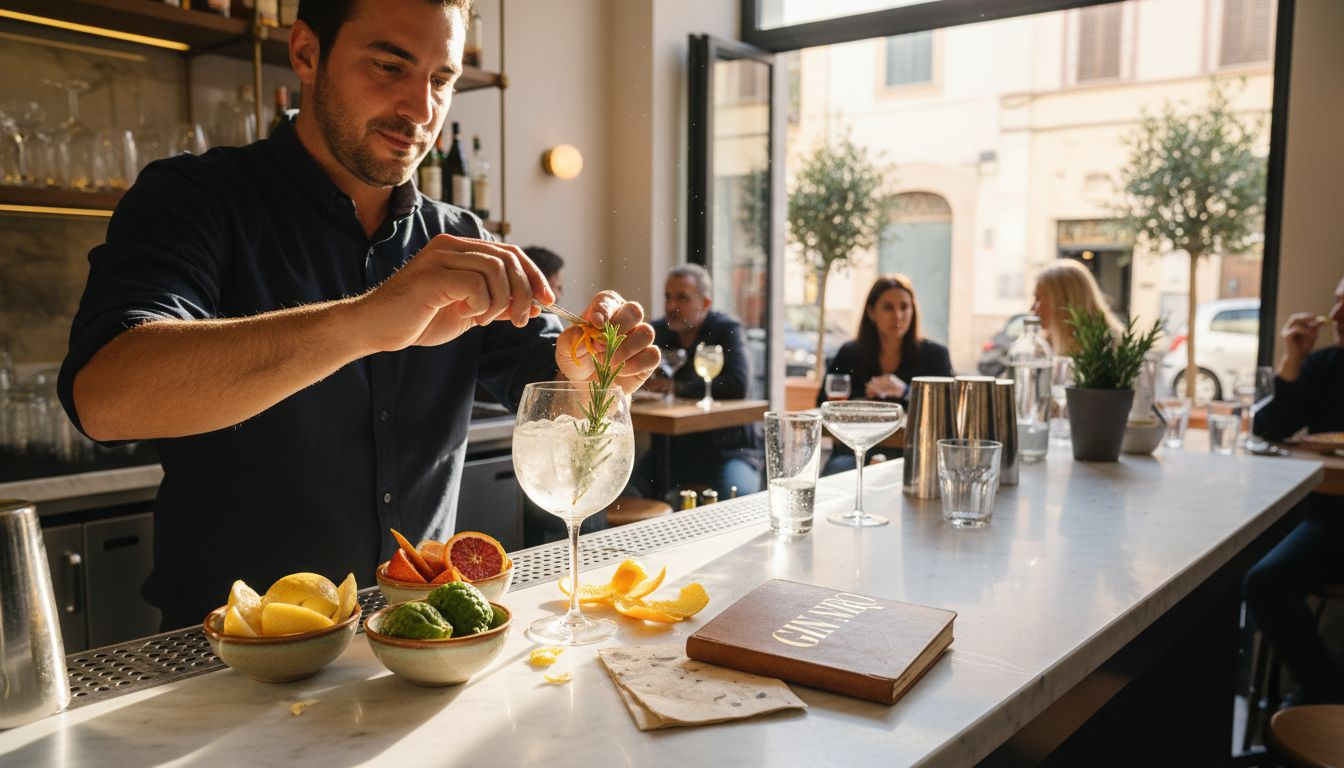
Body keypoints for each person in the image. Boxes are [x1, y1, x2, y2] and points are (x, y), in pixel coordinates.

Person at [55, 0, 657, 630]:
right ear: (307, 52)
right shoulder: (194, 199)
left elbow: (554, 393)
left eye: (441, 80)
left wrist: (590, 376)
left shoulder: (460, 237)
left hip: (416, 641)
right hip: (231, 655)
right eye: (388, 66)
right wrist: (368, 320)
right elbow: (107, 398)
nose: (421, 110)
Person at [1244, 273, 1344, 706]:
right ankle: (1324, 687)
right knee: (1264, 580)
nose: (1337, 315)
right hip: (1331, 518)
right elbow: (1269, 430)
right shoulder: (1324, 366)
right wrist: (1293, 357)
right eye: (1336, 302)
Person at [634, 264, 762, 498]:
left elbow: (738, 384)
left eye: (682, 298)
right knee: (624, 491)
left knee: (735, 497)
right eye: (668, 297)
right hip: (670, 453)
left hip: (728, 450)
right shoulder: (658, 331)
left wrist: (676, 387)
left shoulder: (726, 329)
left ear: (705, 304)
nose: (671, 306)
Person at [816, 274, 953, 474]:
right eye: (888, 307)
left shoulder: (934, 355)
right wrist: (865, 398)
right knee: (836, 474)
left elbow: (947, 408)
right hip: (853, 451)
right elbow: (822, 402)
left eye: (904, 307)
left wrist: (905, 392)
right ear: (872, 312)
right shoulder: (850, 353)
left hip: (913, 453)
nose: (898, 315)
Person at [1030, 259, 1123, 356]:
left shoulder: (1106, 352)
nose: (1032, 308)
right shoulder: (1044, 346)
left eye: (1038, 299)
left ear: (1064, 302)